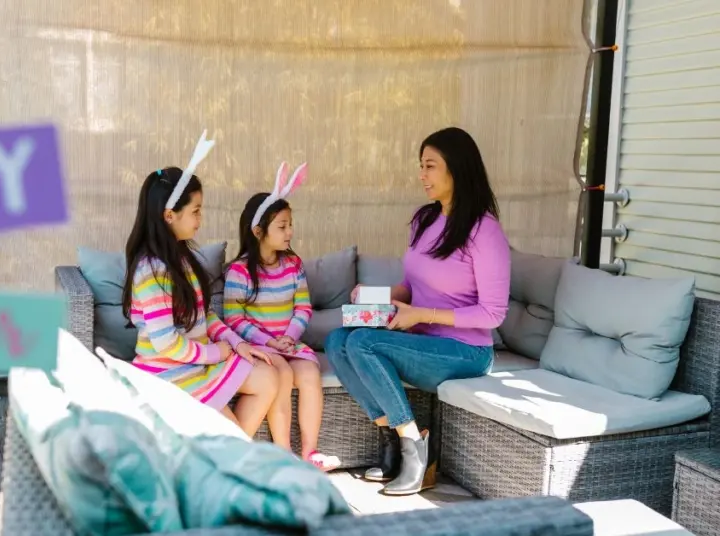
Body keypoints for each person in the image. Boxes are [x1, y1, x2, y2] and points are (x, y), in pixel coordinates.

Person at [325, 127, 510, 496]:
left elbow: (493, 314)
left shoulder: (485, 231)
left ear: (456, 169)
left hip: (465, 351)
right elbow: (411, 287)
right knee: (337, 340)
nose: (421, 175)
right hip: (420, 340)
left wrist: (421, 315)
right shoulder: (423, 219)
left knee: (363, 343)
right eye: (420, 166)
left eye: (430, 166)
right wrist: (378, 296)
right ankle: (392, 439)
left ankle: (414, 445)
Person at [122, 132, 281, 437]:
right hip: (168, 373)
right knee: (236, 443)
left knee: (268, 378)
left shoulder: (182, 260)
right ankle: (226, 459)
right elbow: (165, 343)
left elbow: (204, 315)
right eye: (195, 211)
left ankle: (222, 460)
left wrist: (237, 344)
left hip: (197, 364)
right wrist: (215, 354)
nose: (200, 219)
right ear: (170, 215)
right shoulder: (151, 271)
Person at [223, 163, 340, 471]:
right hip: (262, 349)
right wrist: (269, 341)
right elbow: (234, 319)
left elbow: (303, 307)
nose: (290, 231)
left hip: (289, 344)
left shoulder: (293, 265)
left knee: (310, 375)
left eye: (291, 224)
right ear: (258, 231)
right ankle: (284, 452)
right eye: (283, 225)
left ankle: (310, 453)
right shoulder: (239, 271)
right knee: (284, 377)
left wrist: (289, 336)